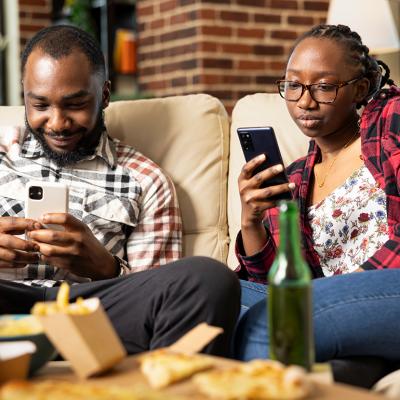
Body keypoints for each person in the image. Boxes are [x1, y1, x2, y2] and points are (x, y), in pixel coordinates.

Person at [0, 25, 240, 357]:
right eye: (40, 105)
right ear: (24, 96)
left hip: (90, 316)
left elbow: (156, 291)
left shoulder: (145, 179)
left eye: (75, 105)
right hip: (6, 305)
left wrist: (104, 267)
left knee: (208, 278)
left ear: (105, 95)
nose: (56, 122)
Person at [234, 24, 400, 362]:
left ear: (360, 89)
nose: (305, 102)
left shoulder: (389, 122)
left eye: (324, 87)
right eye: (294, 85)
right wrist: (252, 222)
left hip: (383, 290)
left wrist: (339, 294)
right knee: (212, 296)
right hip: (332, 314)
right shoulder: (295, 177)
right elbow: (273, 282)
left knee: (272, 324)